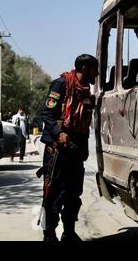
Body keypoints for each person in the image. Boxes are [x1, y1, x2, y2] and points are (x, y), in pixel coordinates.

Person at [39, 54, 98, 242]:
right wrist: (58, 133)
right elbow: (46, 113)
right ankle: (49, 234)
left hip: (75, 152)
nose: (97, 74)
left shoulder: (85, 92)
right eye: (95, 69)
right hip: (57, 151)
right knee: (53, 195)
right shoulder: (61, 84)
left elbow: (84, 120)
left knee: (73, 195)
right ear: (85, 68)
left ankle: (69, 233)